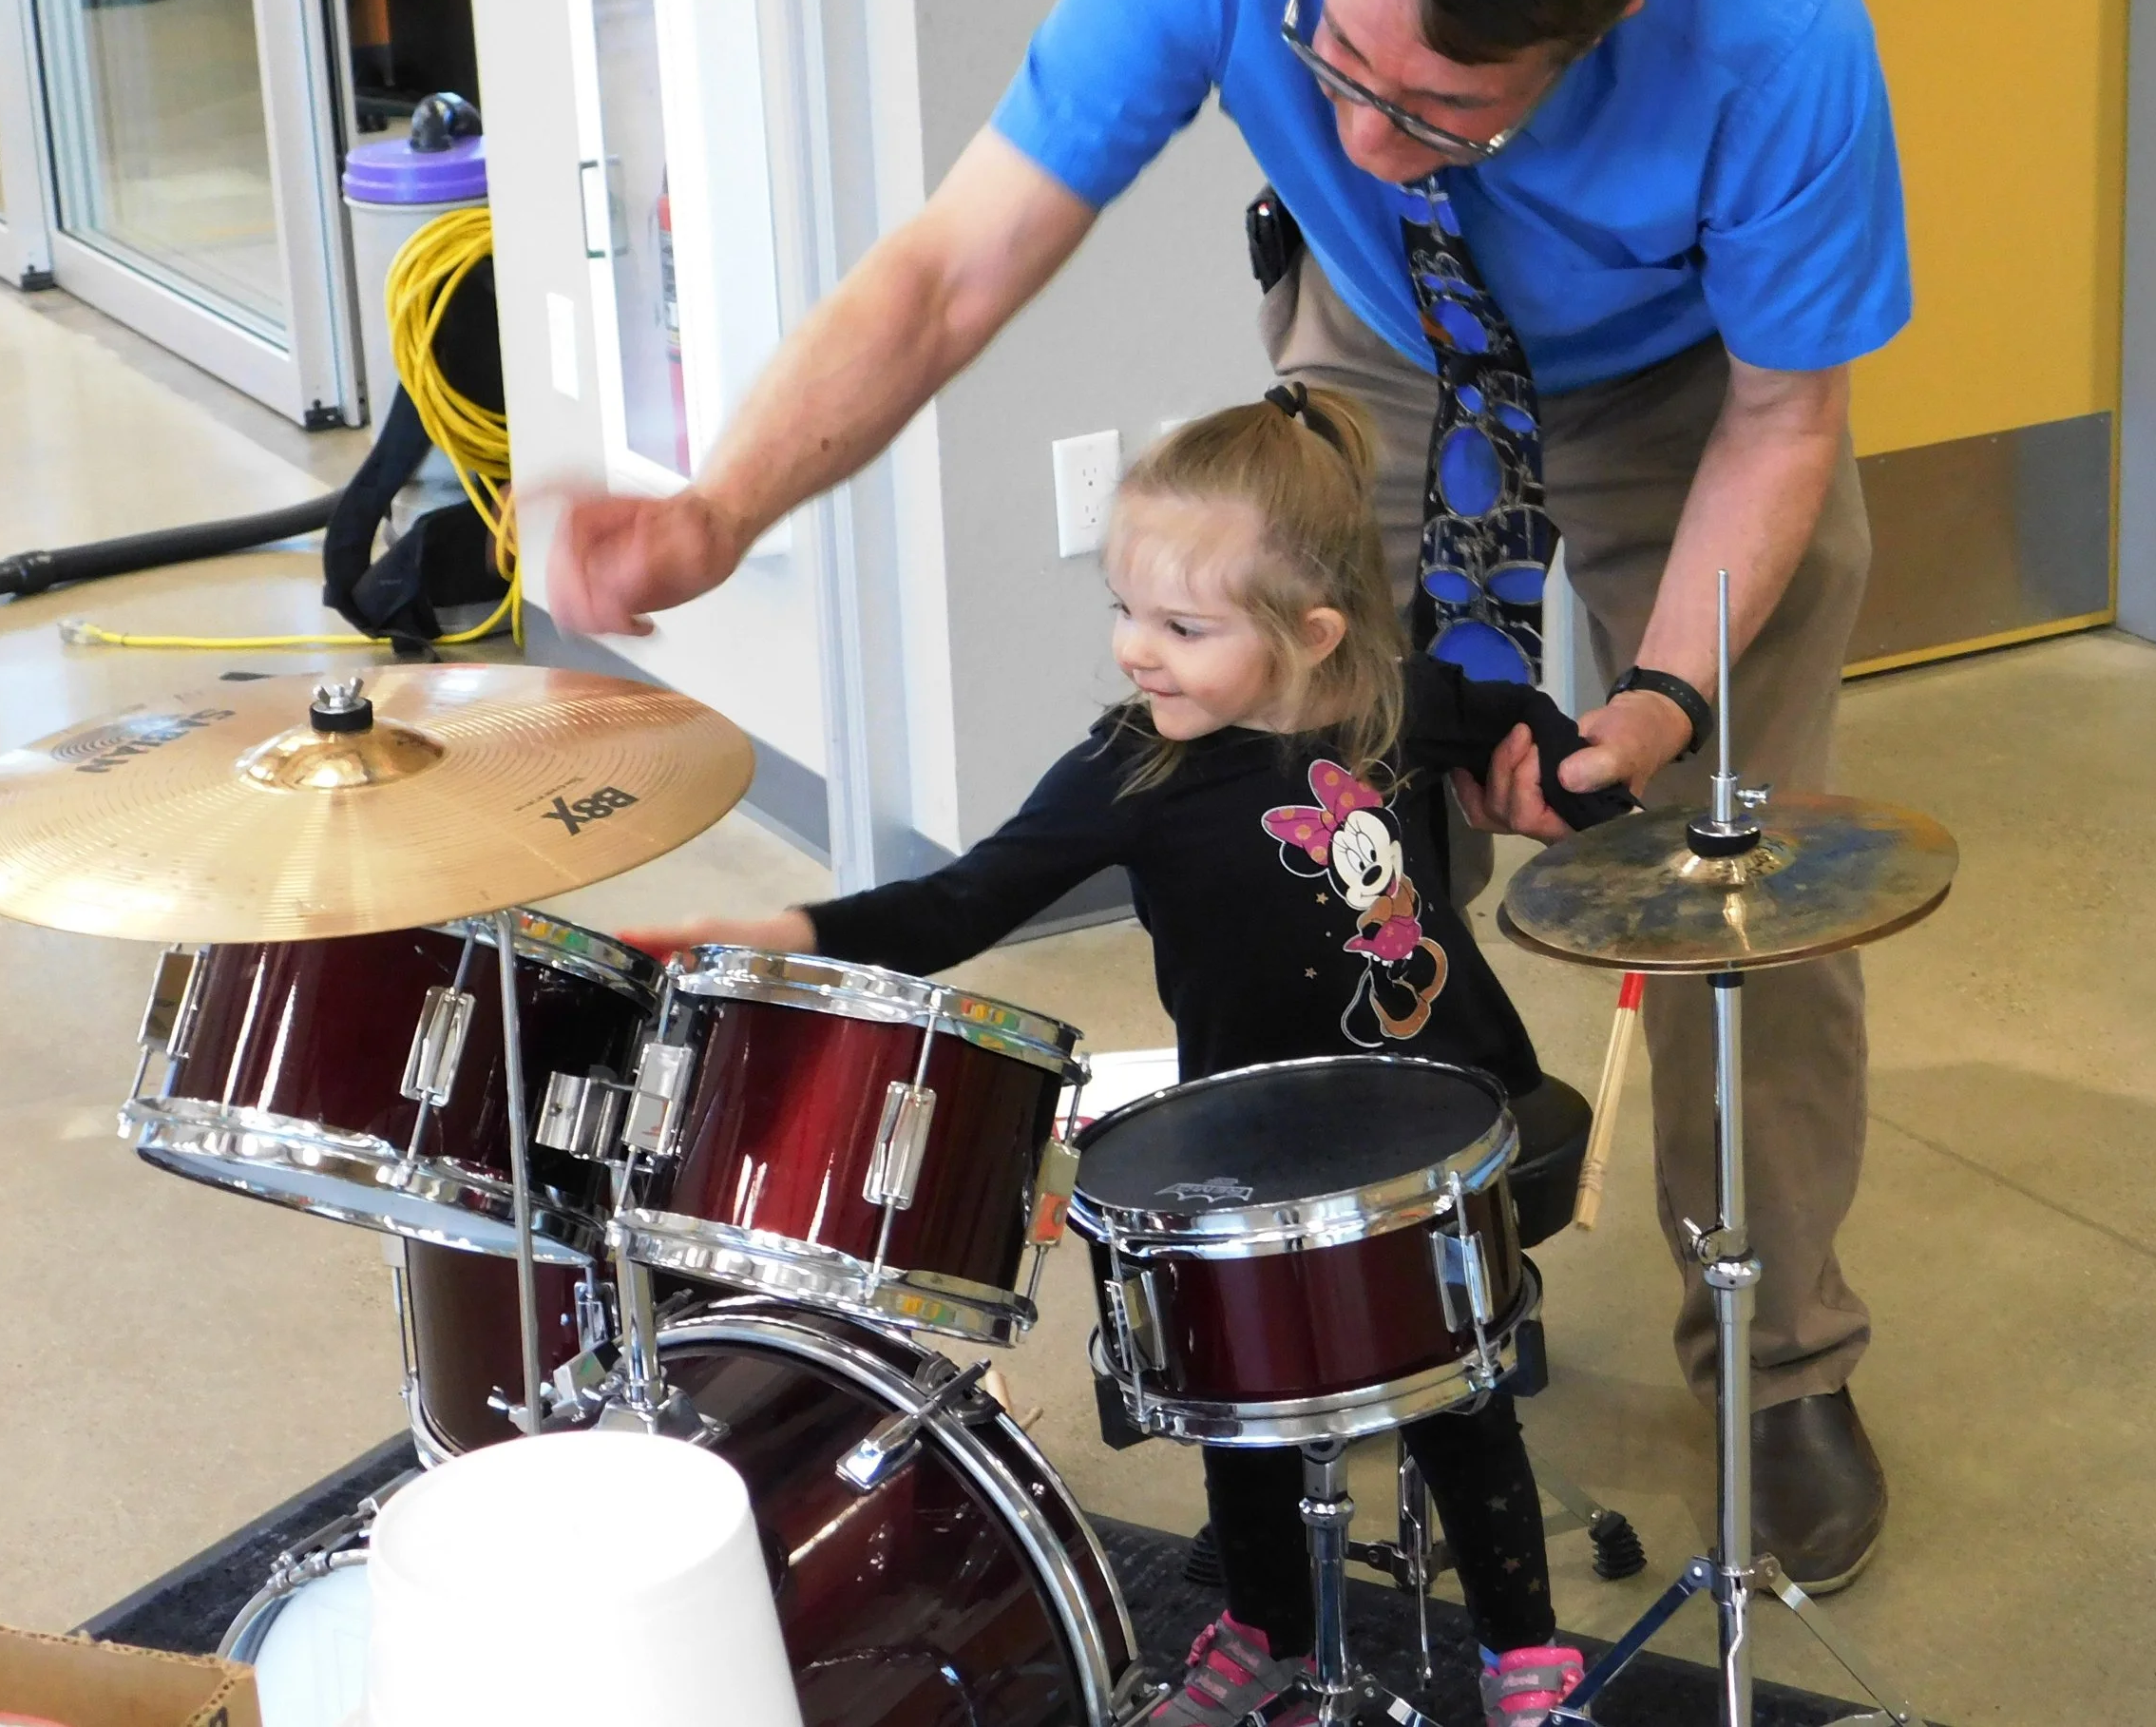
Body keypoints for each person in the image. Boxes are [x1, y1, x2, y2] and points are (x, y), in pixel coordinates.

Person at [552, 0, 1911, 1590]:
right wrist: (718, 510)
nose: (1357, 134)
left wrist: (1662, 698)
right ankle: (1418, 1287)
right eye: (1330, 67)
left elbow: (1782, 426)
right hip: (1383, 320)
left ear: (1593, 34)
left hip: (1683, 385)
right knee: (1332, 818)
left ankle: (1778, 1364)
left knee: (1725, 877)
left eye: (1435, 109)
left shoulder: (1770, 34)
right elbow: (952, 266)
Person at [636, 389, 1635, 1725]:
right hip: (1244, 1133)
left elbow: (1513, 704)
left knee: (1459, 1391)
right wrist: (771, 930)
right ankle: (1266, 1624)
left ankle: (1522, 1644)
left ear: (1313, 635)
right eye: (1123, 611)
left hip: (1433, 1109)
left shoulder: (1395, 703)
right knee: (1243, 1402)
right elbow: (957, 904)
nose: (1135, 653)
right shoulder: (1127, 768)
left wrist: (1566, 765)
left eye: (1180, 626)